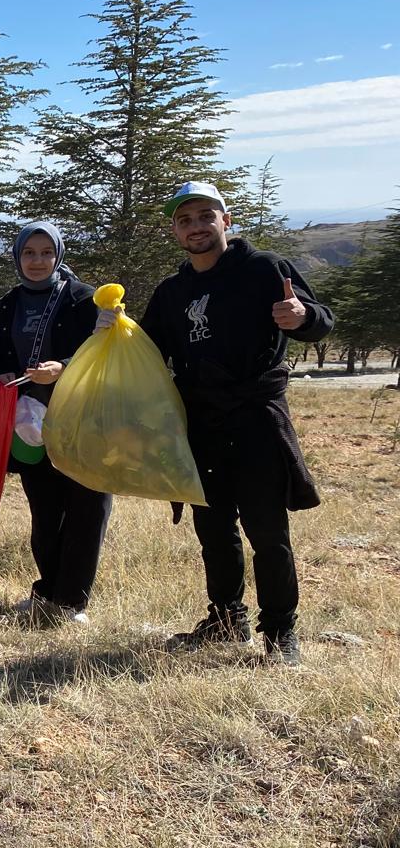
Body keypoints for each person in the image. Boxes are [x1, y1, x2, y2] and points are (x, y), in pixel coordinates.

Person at [135, 181, 333, 665]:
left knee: (267, 530)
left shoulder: (265, 269)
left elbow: (322, 319)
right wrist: (111, 334)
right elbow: (145, 349)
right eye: (185, 220)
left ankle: (280, 633)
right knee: (214, 528)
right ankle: (226, 619)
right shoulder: (171, 291)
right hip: (200, 421)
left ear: (226, 220)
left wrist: (301, 316)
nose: (196, 227)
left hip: (256, 418)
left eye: (206, 216)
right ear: (175, 231)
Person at [0, 222, 109, 624]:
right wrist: (1, 377)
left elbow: (106, 353)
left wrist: (64, 367)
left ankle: (73, 601)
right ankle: (48, 589)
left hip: (84, 419)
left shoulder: (84, 300)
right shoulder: (4, 308)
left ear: (59, 255)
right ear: (17, 257)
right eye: (29, 253)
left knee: (87, 508)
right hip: (29, 425)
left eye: (45, 253)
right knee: (46, 510)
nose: (37, 261)